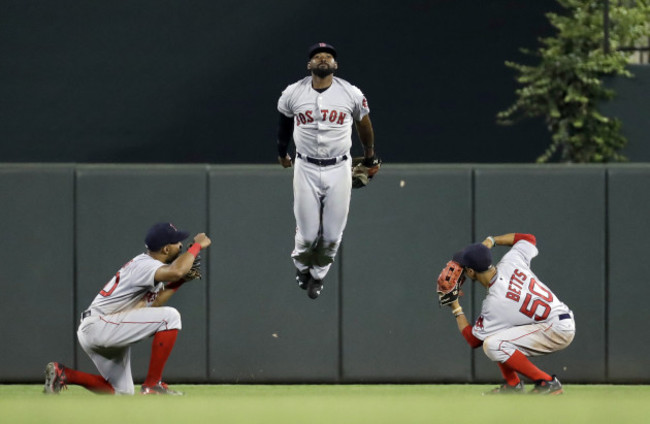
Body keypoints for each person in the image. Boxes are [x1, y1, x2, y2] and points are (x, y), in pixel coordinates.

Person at [43, 222, 211, 395]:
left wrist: (180, 281)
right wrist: (197, 245)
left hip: (100, 327)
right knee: (171, 316)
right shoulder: (145, 265)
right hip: (99, 325)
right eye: (177, 242)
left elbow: (154, 304)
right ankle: (153, 385)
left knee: (122, 392)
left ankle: (63, 374)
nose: (181, 245)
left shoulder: (153, 270)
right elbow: (176, 271)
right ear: (166, 249)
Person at [276, 42, 376, 299]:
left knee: (332, 234)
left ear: (335, 65)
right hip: (305, 167)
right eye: (317, 56)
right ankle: (302, 268)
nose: (323, 58)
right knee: (308, 234)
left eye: (328, 56)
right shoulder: (293, 92)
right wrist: (281, 152)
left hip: (339, 167)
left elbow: (364, 124)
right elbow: (284, 125)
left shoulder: (350, 93)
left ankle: (318, 275)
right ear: (309, 65)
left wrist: (369, 157)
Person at [445, 233, 575, 394]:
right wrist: (492, 241)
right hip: (560, 318)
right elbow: (528, 239)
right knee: (497, 334)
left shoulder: (494, 304)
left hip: (555, 328)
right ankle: (513, 385)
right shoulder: (511, 261)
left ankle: (547, 382)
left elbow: (473, 340)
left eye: (464, 269)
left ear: (471, 272)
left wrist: (455, 306)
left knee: (493, 344)